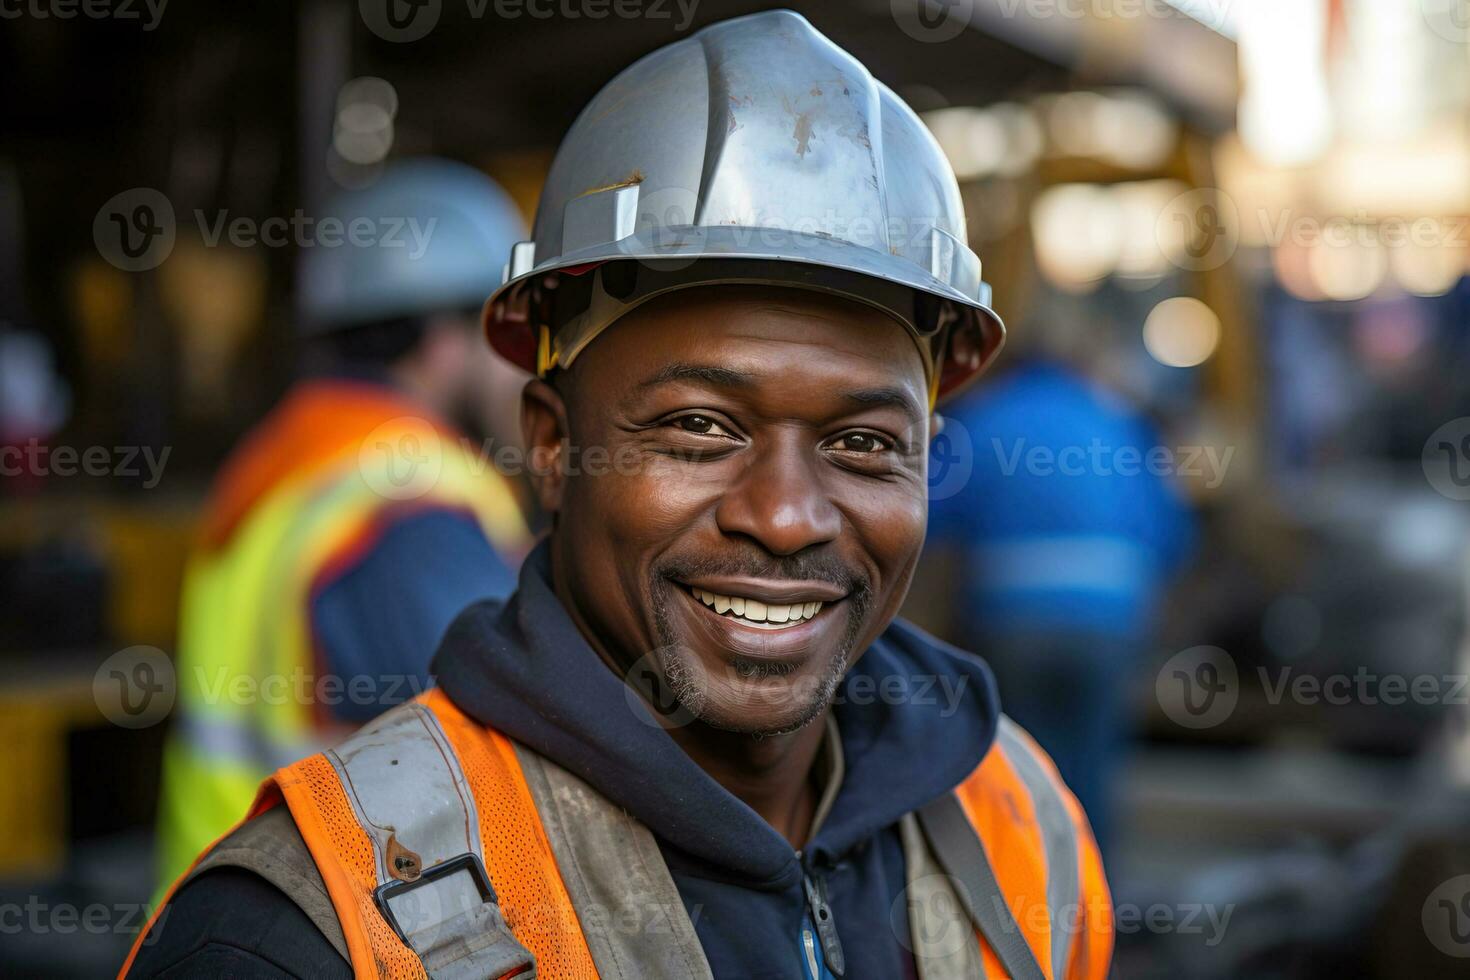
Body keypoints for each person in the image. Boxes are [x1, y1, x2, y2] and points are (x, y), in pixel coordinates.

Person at [126, 13, 1111, 978]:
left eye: (863, 444)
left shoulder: (1019, 826)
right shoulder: (306, 929)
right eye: (700, 429)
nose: (785, 516)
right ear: (552, 445)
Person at [152, 159, 532, 890]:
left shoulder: (288, 455)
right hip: (330, 934)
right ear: (444, 337)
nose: (527, 370)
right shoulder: (413, 502)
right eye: (510, 336)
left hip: (227, 918)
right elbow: (510, 766)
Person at [919, 342, 1196, 851]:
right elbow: (1170, 533)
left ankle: (1018, 894)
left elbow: (925, 516)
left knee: (1017, 763)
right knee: (1092, 764)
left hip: (1012, 618)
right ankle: (1094, 906)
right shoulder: (1117, 422)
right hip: (1110, 620)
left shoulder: (985, 417)